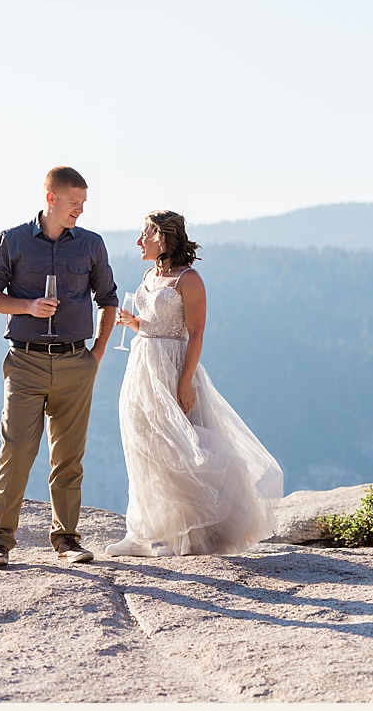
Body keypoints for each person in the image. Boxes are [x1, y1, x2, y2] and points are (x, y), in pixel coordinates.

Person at [105, 211, 283, 556]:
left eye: (144, 234)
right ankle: (139, 534)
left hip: (173, 367)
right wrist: (131, 322)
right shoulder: (148, 275)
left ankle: (183, 536)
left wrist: (185, 381)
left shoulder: (189, 278)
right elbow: (153, 325)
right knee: (141, 443)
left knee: (179, 448)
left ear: (161, 237)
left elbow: (196, 332)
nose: (138, 241)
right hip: (142, 366)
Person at [0, 166, 118, 568]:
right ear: (50, 198)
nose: (81, 211)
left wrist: (98, 354)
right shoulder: (13, 240)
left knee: (69, 457)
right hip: (25, 362)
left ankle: (67, 540)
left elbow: (108, 300)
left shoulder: (91, 244)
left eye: (84, 204)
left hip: (77, 363)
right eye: (74, 203)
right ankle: (0, 541)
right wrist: (28, 307)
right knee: (17, 450)